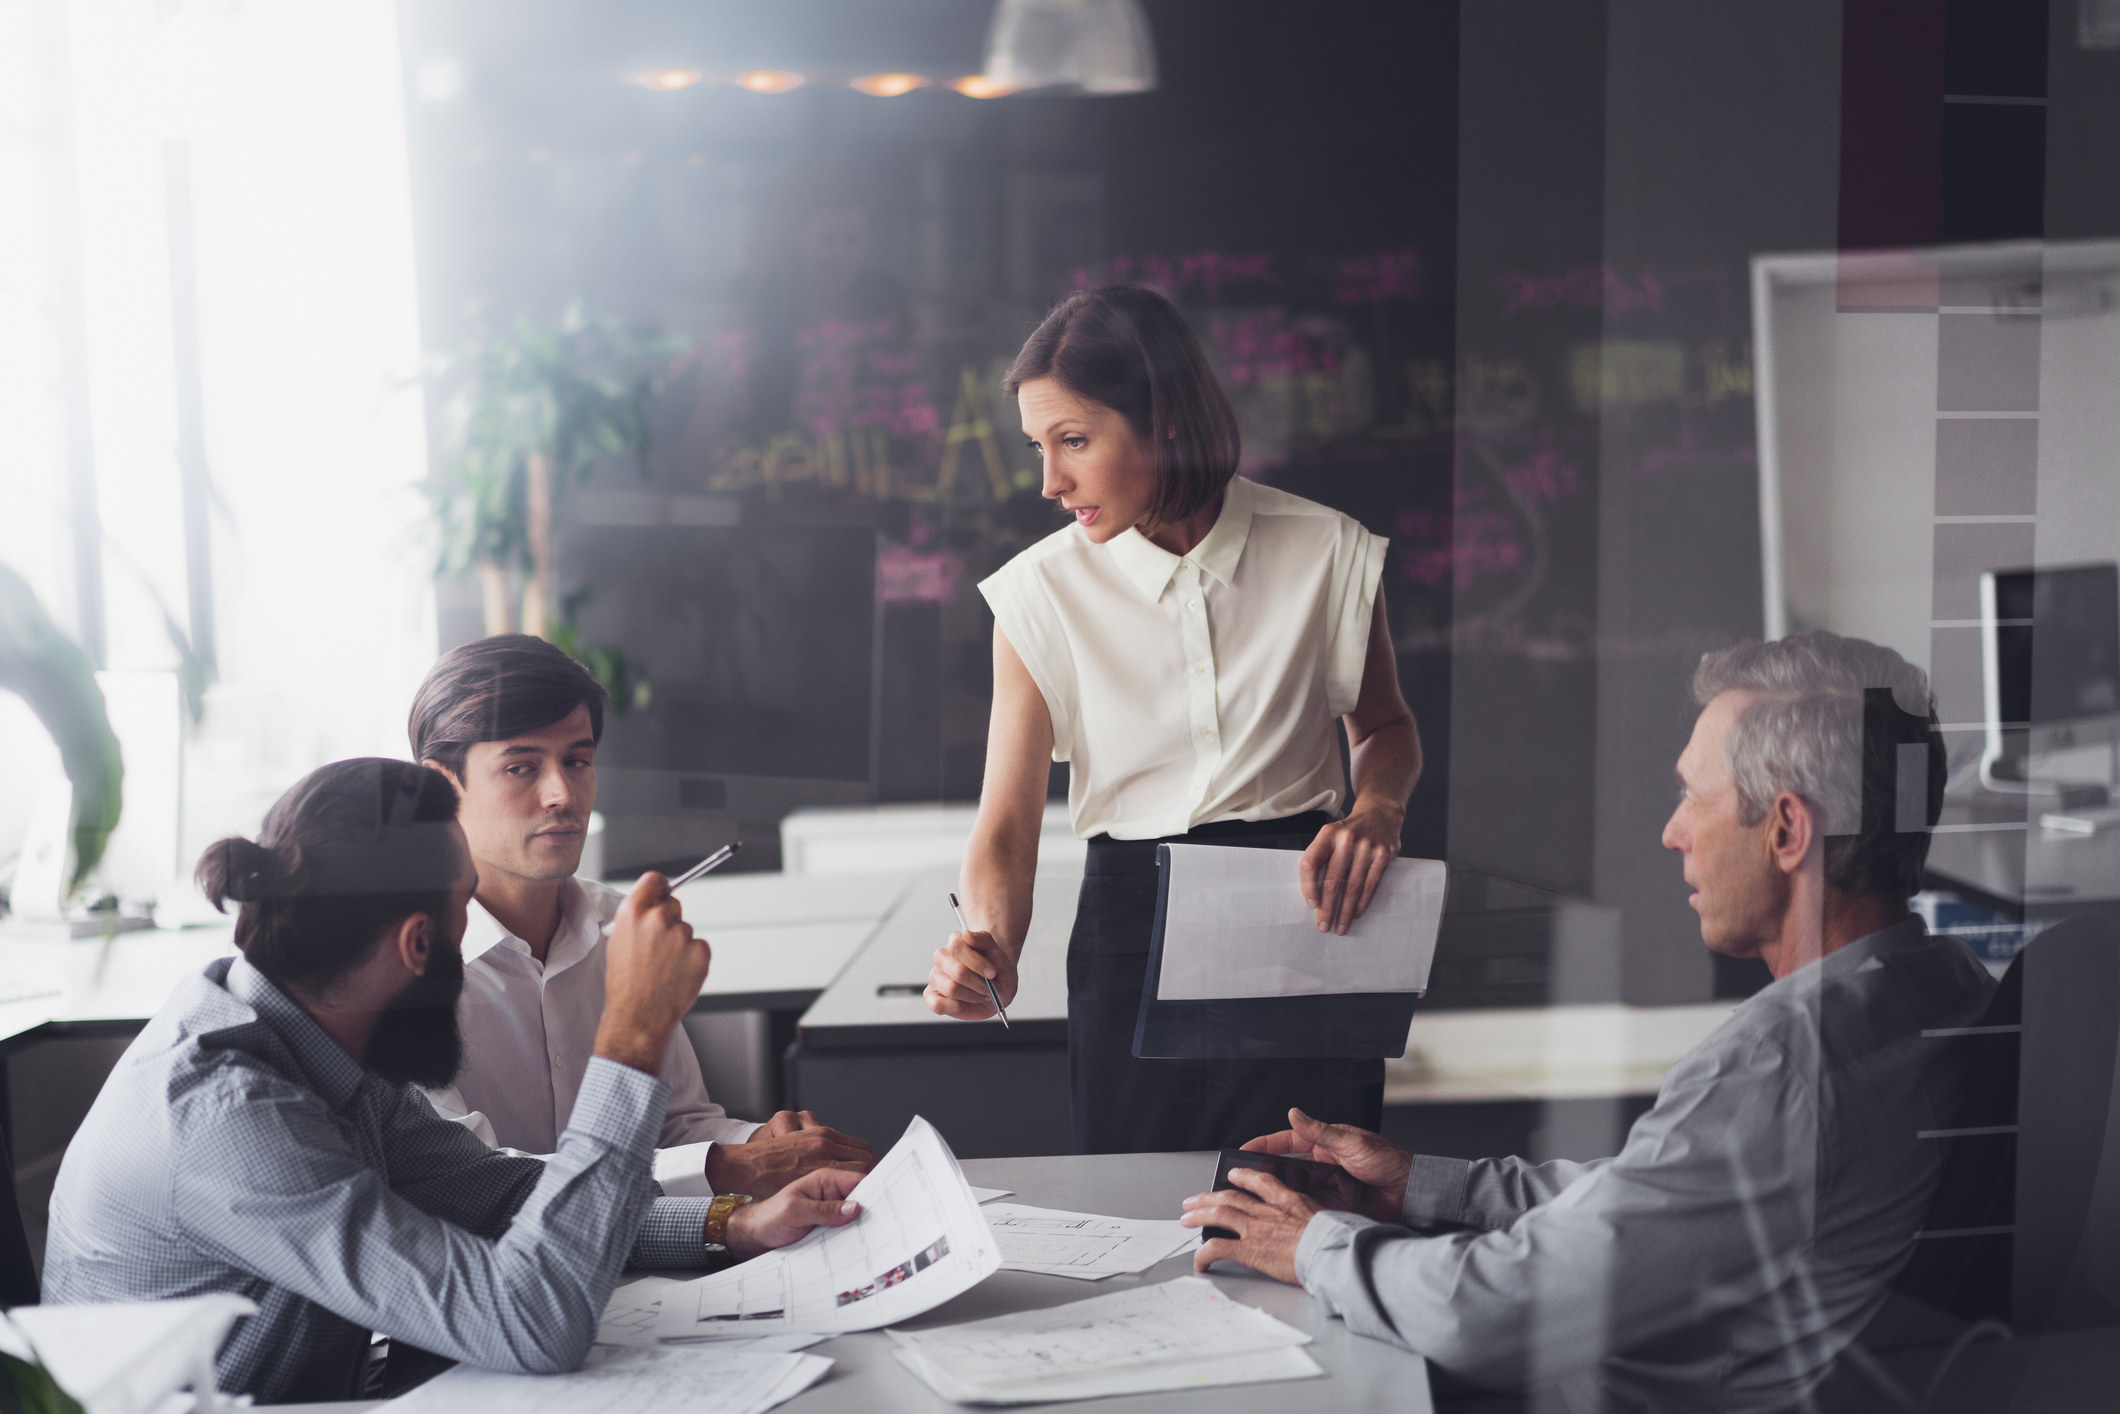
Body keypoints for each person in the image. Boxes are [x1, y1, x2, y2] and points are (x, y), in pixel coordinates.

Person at [1176, 632, 1998, 1411]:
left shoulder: (1778, 1068)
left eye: (1691, 796)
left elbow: (1494, 1314)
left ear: (1786, 829)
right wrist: (1418, 1186)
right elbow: (1652, 1203)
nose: (1673, 832)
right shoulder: (1939, 983)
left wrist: (1311, 1242)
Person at [43, 759, 862, 1402]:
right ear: (415, 945)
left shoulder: (323, 1046)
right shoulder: (231, 1123)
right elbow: (529, 1319)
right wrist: (633, 1034)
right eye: (465, 903)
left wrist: (733, 1226)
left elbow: (504, 1202)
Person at [924, 286, 1423, 1154]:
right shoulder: (1037, 594)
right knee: (1136, 1221)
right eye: (1039, 448)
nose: (1050, 481)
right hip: (1130, 923)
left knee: (1317, 1211)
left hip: (1307, 908)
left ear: (1166, 420)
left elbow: (1384, 727)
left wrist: (1376, 811)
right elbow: (1005, 825)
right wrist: (986, 945)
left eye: (1074, 441)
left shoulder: (1329, 550)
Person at [407, 634, 873, 1197]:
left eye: (577, 761)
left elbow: (676, 1124)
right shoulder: (403, 967)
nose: (562, 794)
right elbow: (479, 1185)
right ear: (440, 786)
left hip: (656, 1259)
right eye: (521, 768)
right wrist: (725, 1169)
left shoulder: (621, 925)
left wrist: (761, 1145)